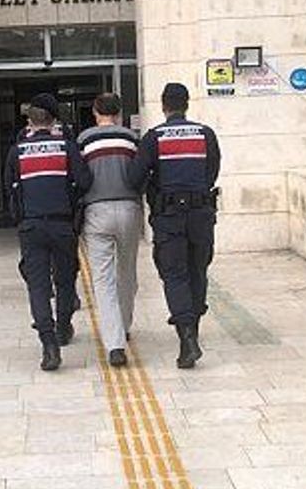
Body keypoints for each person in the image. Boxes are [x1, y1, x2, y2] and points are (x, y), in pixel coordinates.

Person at [128, 82, 221, 369]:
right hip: (201, 214)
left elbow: (135, 178)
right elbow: (212, 172)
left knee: (174, 274)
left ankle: (187, 338)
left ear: (164, 105)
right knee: (198, 270)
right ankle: (194, 328)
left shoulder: (154, 138)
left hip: (169, 217)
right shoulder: (205, 134)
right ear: (187, 104)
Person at [4, 93, 93, 371]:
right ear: (54, 120)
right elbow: (85, 181)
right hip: (62, 224)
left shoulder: (17, 151)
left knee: (38, 285)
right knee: (65, 280)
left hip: (31, 226)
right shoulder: (67, 148)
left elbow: (9, 189)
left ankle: (49, 345)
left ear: (30, 121)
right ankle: (63, 327)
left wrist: (21, 218)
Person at [77, 93, 142, 368]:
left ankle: (115, 344)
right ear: (119, 113)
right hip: (129, 209)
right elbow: (140, 172)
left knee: (102, 280)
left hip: (96, 212)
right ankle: (124, 326)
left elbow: (79, 177)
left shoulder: (84, 140)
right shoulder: (131, 138)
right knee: (127, 272)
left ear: (95, 112)